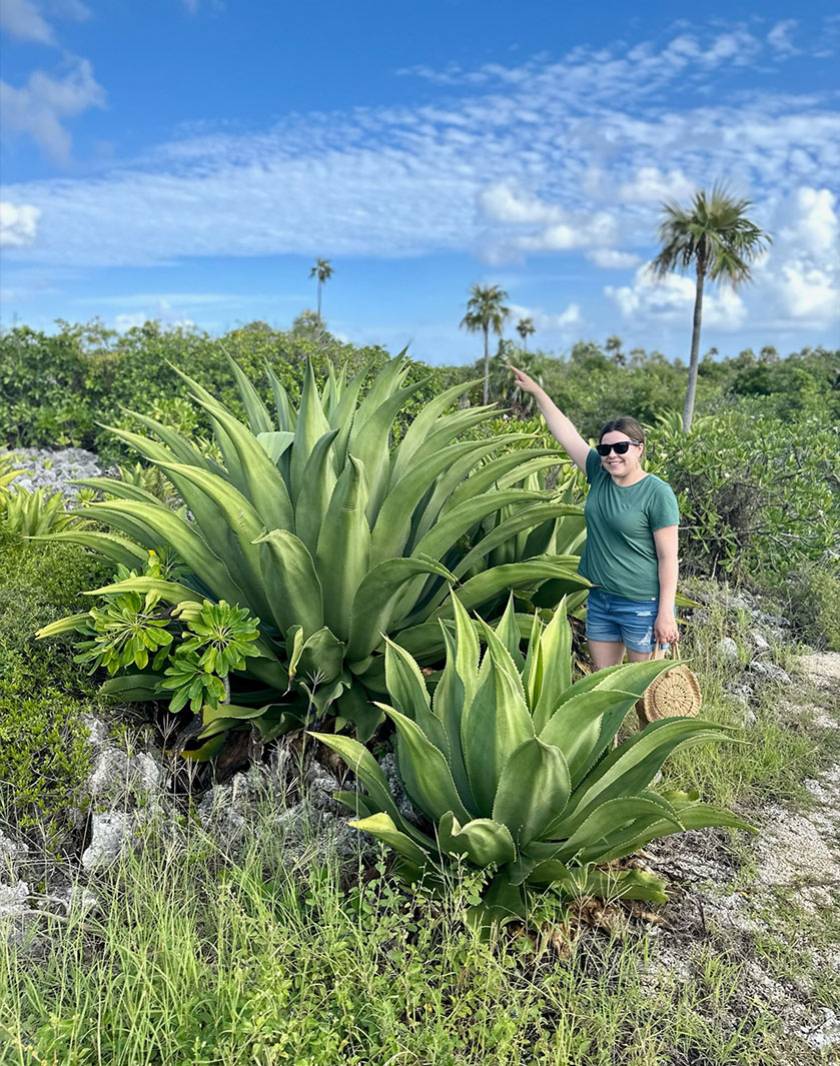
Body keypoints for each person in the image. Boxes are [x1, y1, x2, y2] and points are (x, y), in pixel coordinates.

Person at [510, 367, 680, 669]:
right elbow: (565, 432)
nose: (612, 454)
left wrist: (665, 613)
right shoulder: (599, 474)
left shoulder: (657, 493)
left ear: (639, 449)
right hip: (600, 600)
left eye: (621, 447)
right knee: (604, 687)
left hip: (642, 605)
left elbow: (669, 558)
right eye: (605, 448)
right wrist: (538, 392)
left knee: (646, 694)